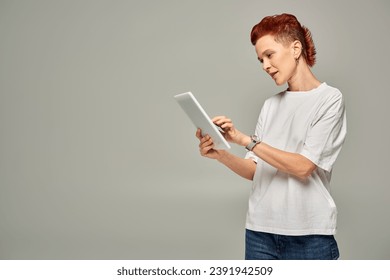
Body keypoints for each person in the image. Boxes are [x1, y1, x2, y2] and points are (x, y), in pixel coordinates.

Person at [195, 13, 347, 260]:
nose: (265, 65)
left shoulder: (329, 99)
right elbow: (255, 170)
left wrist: (247, 141)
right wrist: (220, 154)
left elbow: (303, 166)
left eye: (269, 55)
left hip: (309, 234)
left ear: (295, 48)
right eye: (260, 60)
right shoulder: (270, 105)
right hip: (259, 233)